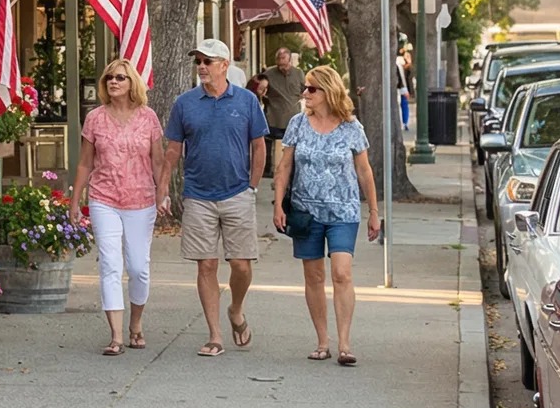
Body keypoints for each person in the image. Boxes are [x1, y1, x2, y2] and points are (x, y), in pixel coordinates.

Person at [159, 37, 269, 357]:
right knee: (206, 264)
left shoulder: (247, 101)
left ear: (225, 65)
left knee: (241, 264)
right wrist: (163, 188)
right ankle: (215, 334)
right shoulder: (185, 103)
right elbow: (172, 151)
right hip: (198, 195)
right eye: (198, 62)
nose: (202, 67)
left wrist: (252, 186)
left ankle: (236, 309)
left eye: (208, 61)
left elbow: (259, 145)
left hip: (237, 192)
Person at [273, 64, 381, 366]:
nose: (305, 93)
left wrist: (374, 211)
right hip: (306, 211)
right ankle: (323, 341)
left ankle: (345, 343)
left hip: (343, 211)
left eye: (311, 88)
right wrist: (278, 203)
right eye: (305, 88)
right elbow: (285, 166)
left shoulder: (351, 127)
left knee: (342, 273)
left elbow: (364, 170)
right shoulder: (297, 123)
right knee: (314, 276)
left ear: (328, 92)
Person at [73, 59, 165, 357]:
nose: (114, 82)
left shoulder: (148, 118)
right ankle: (115, 336)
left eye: (120, 78)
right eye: (109, 77)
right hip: (104, 198)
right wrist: (76, 199)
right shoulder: (95, 119)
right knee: (110, 265)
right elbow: (86, 161)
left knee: (138, 267)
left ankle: (135, 324)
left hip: (141, 200)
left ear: (132, 84)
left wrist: (162, 193)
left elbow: (158, 161)